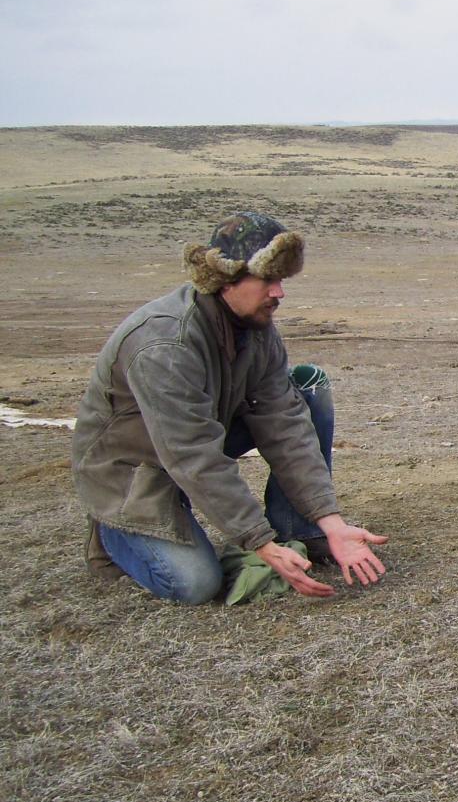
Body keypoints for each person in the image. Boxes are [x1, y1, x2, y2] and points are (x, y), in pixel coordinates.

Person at [72, 211, 387, 604]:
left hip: (195, 441)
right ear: (225, 279)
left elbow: (285, 424)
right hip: (133, 470)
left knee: (306, 392)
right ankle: (112, 529)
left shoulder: (255, 328)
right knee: (196, 584)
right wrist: (261, 543)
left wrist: (332, 521)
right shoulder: (164, 345)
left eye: (281, 280)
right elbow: (192, 453)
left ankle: (300, 528)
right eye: (268, 280)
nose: (279, 292)